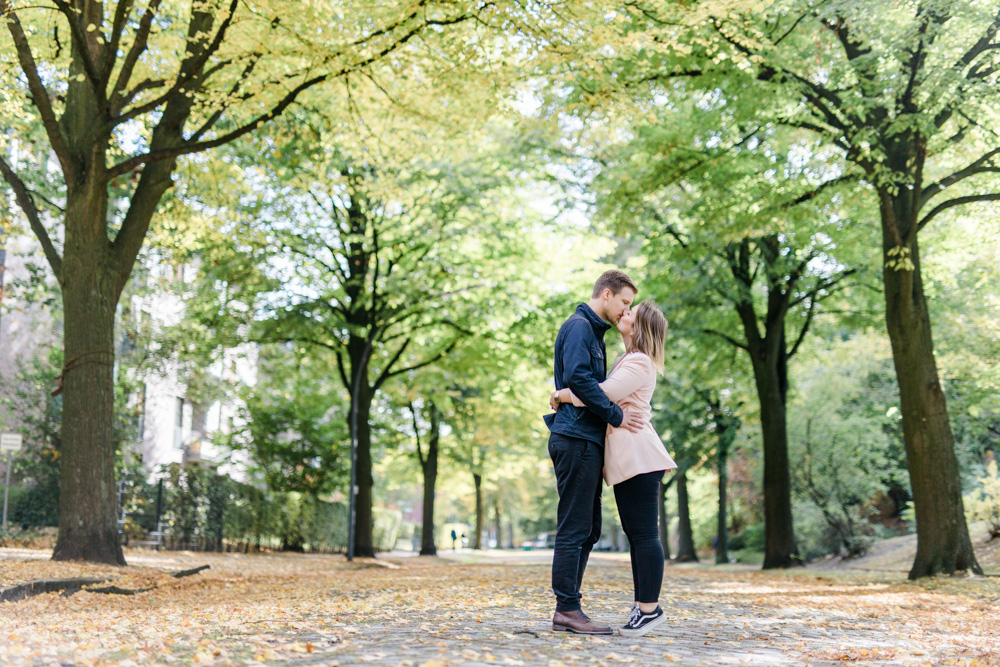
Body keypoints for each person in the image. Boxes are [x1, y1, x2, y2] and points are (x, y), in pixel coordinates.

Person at [551, 300, 676, 637]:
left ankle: (649, 609)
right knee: (638, 534)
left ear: (641, 326)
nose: (625, 312)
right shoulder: (629, 359)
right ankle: (643, 608)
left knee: (644, 534)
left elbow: (601, 394)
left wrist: (562, 395)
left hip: (639, 456)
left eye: (631, 311)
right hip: (629, 458)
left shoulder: (638, 361)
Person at [543, 270, 646, 635]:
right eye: (624, 302)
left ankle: (568, 605)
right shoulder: (579, 328)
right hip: (575, 439)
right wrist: (617, 415)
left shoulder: (593, 332)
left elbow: (584, 384)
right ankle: (567, 609)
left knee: (589, 529)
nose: (625, 310)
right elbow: (580, 379)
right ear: (606, 294)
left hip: (585, 440)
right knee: (575, 527)